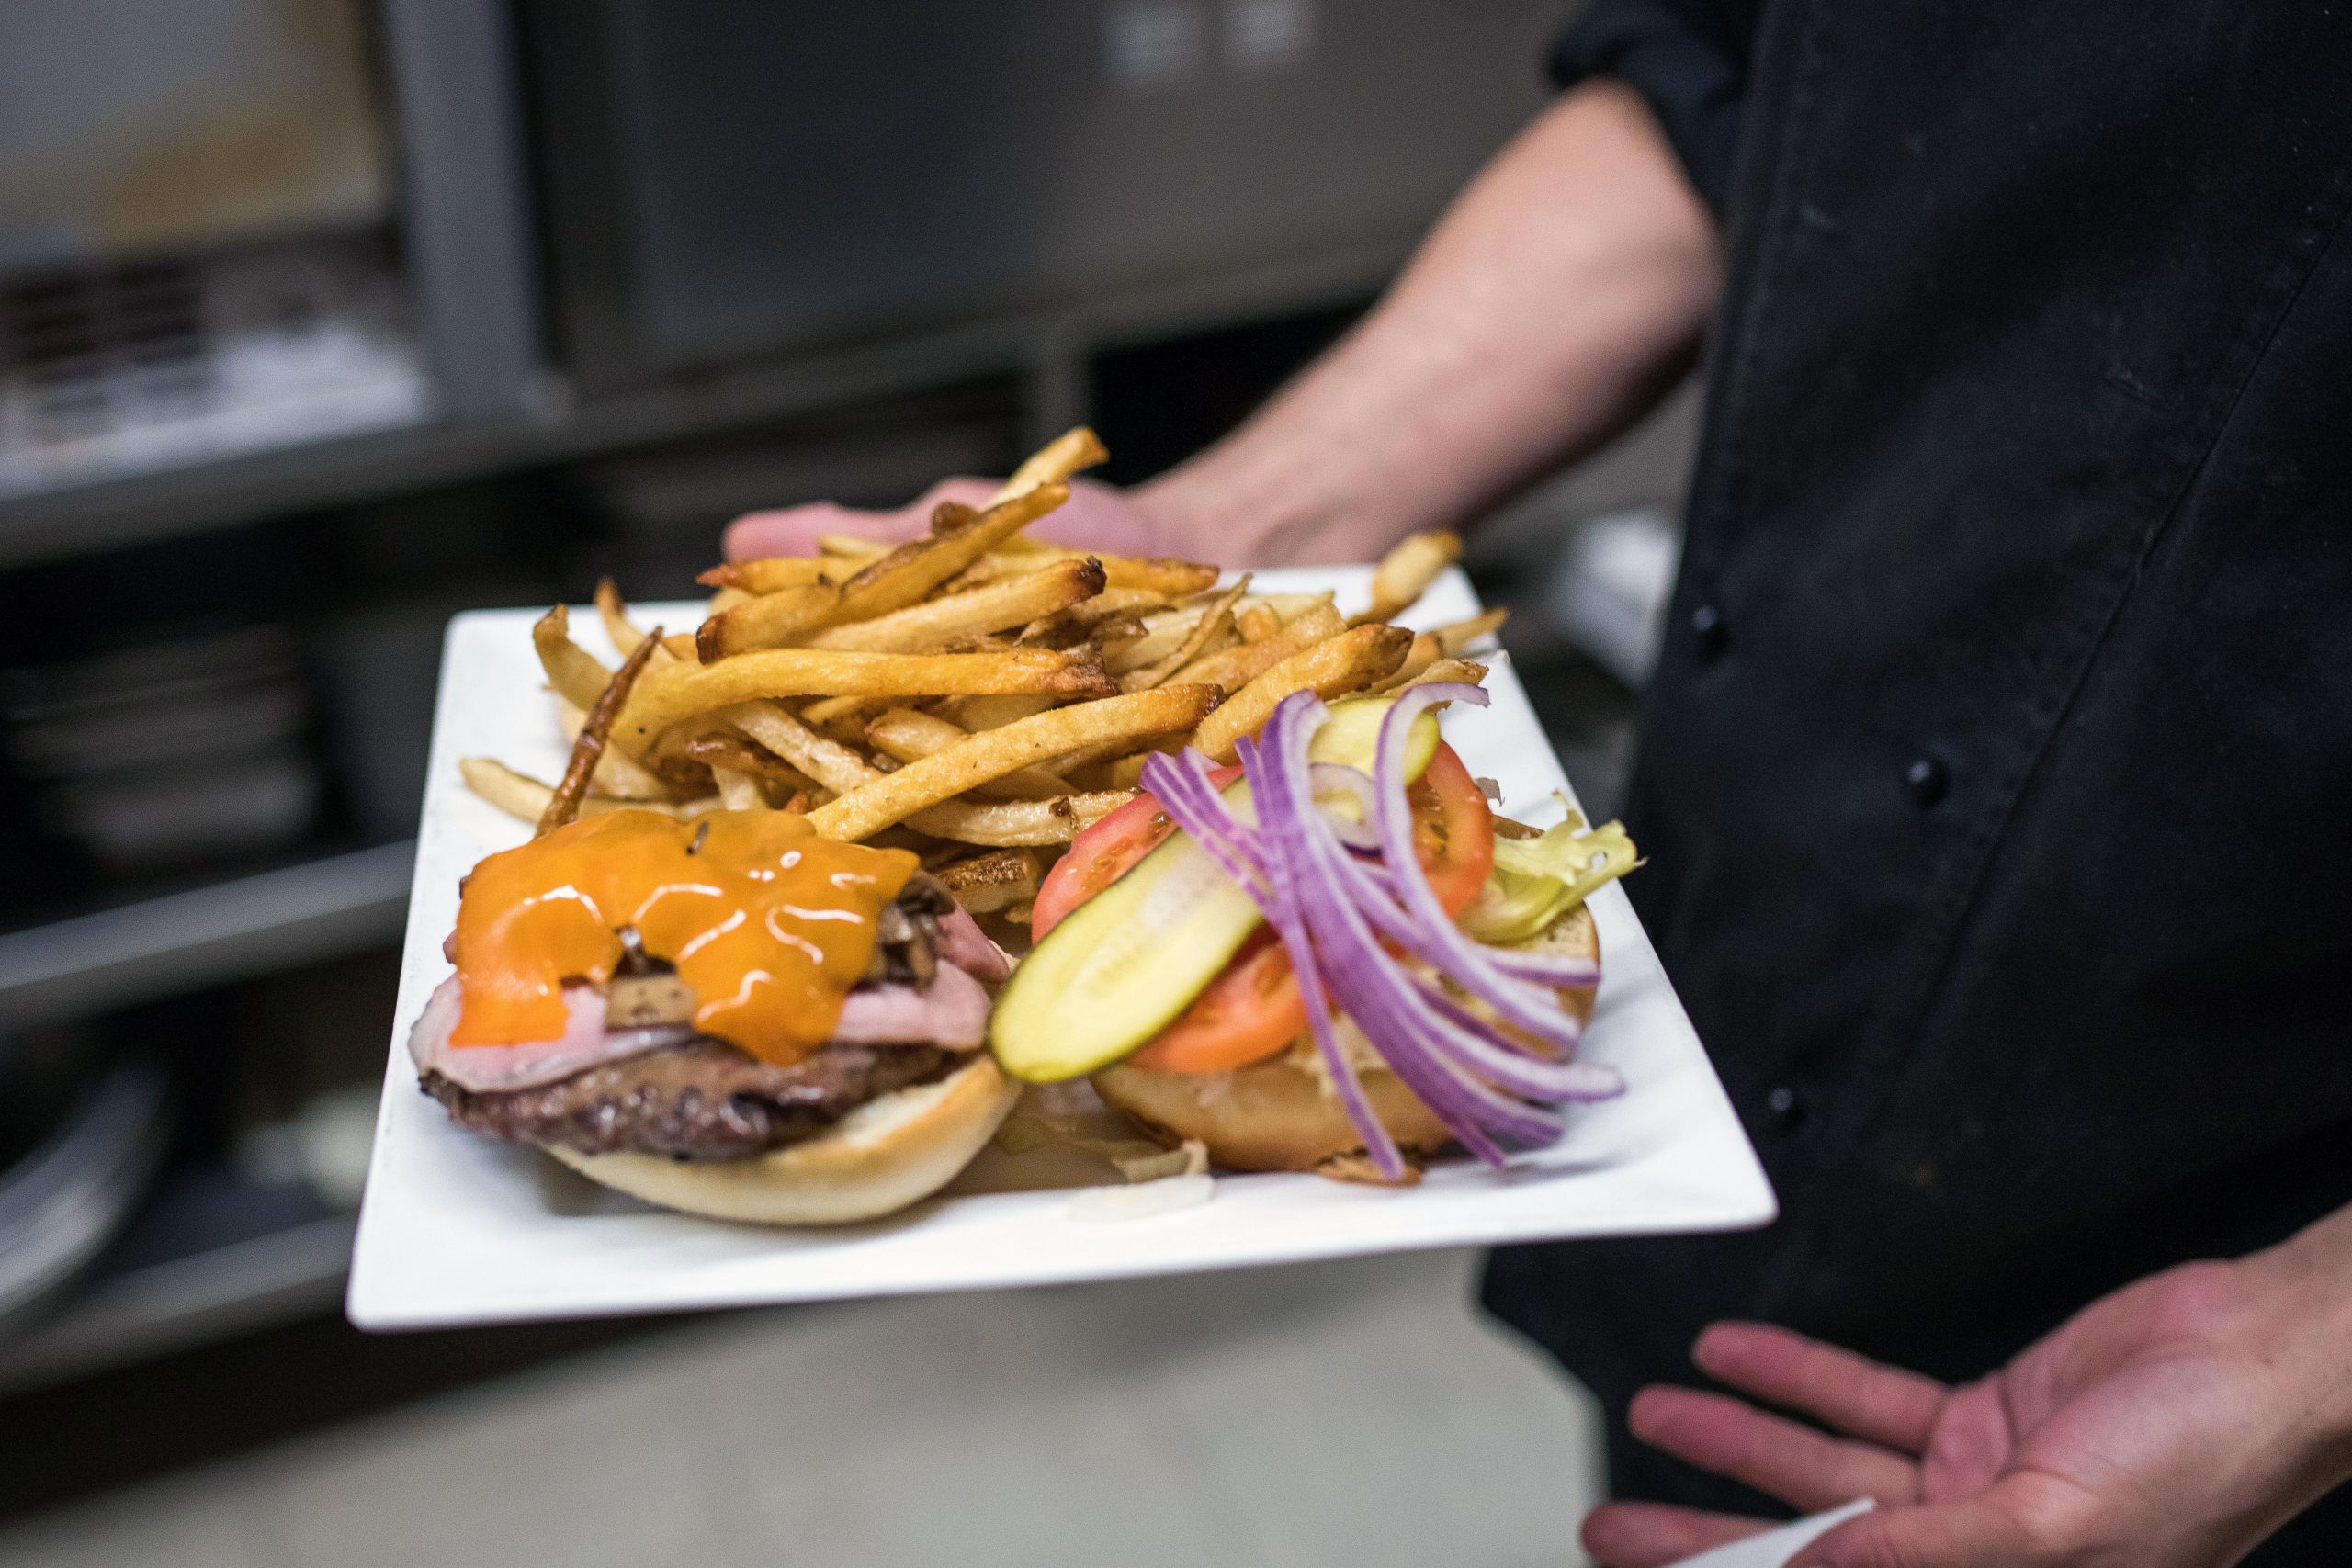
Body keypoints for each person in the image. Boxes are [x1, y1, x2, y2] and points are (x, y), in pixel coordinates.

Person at [727, 4, 2352, 1561]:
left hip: (2246, 1236)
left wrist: (2308, 1353)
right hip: (1750, 978)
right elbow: (1724, 86)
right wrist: (1240, 524)